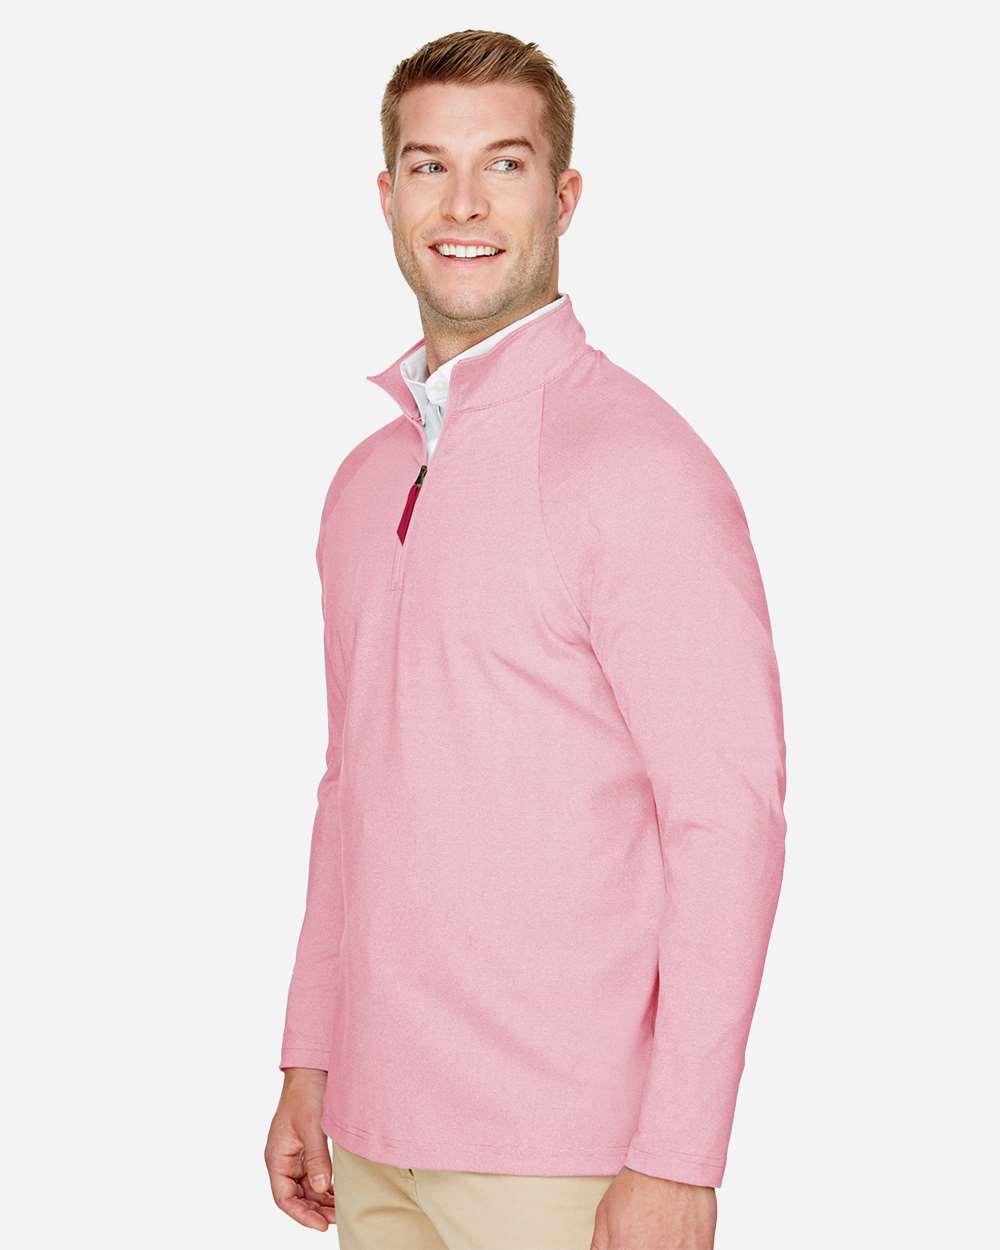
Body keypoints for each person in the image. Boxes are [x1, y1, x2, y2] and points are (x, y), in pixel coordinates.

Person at [264, 28, 787, 1250]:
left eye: (502, 164)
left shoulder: (637, 464)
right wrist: (311, 1055)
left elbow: (727, 819)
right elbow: (352, 787)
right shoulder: (364, 480)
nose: (462, 204)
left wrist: (678, 1155)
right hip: (373, 1136)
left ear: (564, 196)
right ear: (386, 195)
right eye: (429, 165)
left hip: (566, 1157)